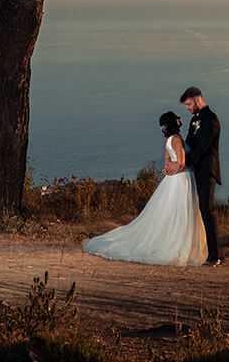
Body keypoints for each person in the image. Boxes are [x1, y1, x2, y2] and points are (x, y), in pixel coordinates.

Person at [81, 111, 207, 265]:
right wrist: (180, 167)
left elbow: (167, 161)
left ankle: (171, 239)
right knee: (183, 211)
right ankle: (179, 243)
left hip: (171, 179)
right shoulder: (178, 140)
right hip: (183, 178)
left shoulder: (167, 140)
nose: (180, 118)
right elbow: (181, 163)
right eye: (176, 117)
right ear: (173, 122)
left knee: (170, 211)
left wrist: (168, 170)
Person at [181, 86, 221, 265]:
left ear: (197, 99)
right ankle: (201, 249)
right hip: (195, 171)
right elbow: (190, 141)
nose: (188, 108)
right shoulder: (194, 120)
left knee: (207, 210)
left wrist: (184, 163)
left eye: (189, 104)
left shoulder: (211, 120)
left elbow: (203, 148)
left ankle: (215, 255)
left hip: (206, 170)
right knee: (197, 210)